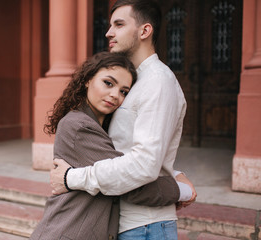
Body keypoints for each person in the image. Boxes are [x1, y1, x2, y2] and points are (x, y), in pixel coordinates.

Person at [50, 0, 197, 239]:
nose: (109, 32)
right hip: (127, 221)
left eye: (118, 24)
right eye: (110, 25)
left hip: (146, 225)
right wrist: (174, 175)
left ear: (144, 31)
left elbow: (144, 164)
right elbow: (129, 148)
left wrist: (71, 177)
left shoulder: (157, 81)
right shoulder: (133, 82)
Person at [30, 52, 183, 240]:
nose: (115, 95)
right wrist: (180, 190)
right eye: (108, 83)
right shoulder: (79, 126)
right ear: (87, 80)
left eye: (124, 91)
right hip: (67, 232)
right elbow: (129, 185)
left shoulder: (102, 127)